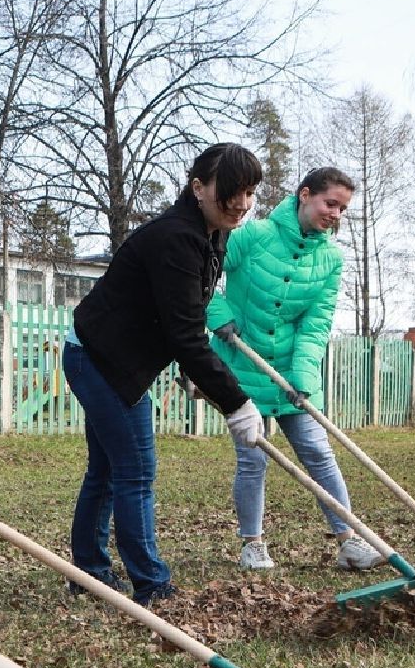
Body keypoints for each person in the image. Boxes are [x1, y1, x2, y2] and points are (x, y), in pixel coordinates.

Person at [64, 143, 267, 606]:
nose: (241, 203)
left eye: (250, 191)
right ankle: (153, 585)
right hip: (100, 360)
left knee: (108, 469)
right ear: (198, 187)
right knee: (135, 470)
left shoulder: (212, 234)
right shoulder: (177, 237)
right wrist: (236, 402)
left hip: (106, 356)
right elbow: (184, 335)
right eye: (231, 191)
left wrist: (194, 374)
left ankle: (88, 573)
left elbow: (181, 319)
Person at [207, 167, 386, 572]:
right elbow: (203, 275)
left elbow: (316, 322)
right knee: (253, 458)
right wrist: (218, 314)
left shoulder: (330, 258)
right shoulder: (253, 235)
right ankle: (253, 544)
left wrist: (303, 378)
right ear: (305, 195)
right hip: (243, 362)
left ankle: (349, 541)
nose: (336, 214)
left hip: (291, 370)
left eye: (342, 208)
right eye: (330, 203)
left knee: (319, 453)